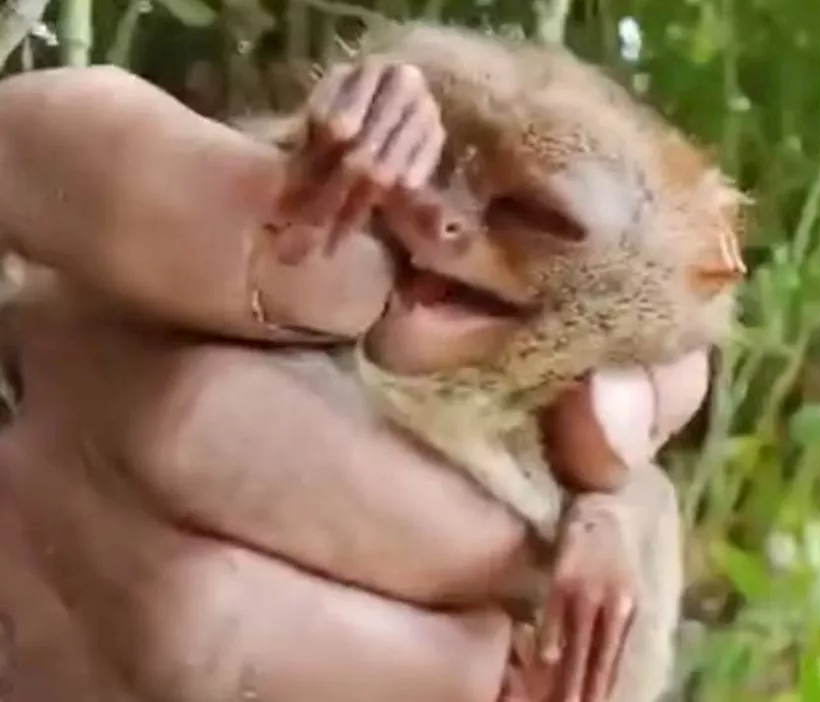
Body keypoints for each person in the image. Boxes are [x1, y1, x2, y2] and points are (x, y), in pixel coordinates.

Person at [0, 65, 710, 702]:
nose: (445, 221)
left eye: (529, 223)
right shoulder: (299, 246)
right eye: (435, 168)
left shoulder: (584, 436)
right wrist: (353, 128)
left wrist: (606, 518)